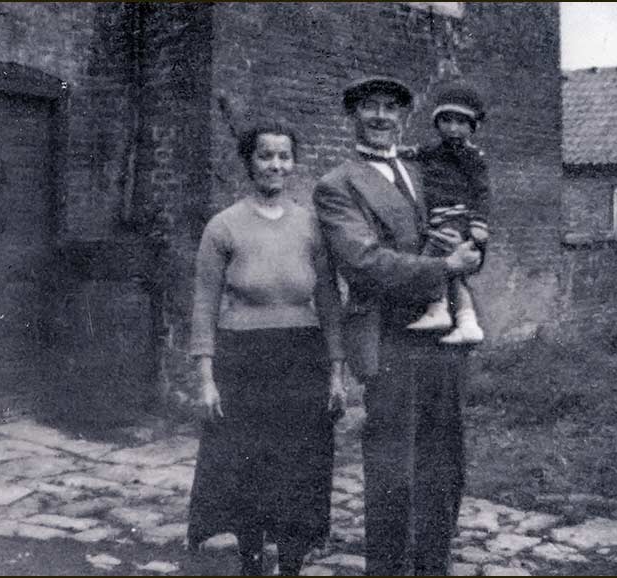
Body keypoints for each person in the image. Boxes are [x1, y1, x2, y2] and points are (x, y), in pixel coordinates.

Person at [313, 76, 483, 576]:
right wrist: (445, 267)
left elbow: (461, 219)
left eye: (391, 108)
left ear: (404, 119)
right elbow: (364, 263)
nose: (381, 117)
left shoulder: (421, 170)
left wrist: (471, 253)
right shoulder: (337, 185)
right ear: (353, 116)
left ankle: (433, 566)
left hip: (442, 334)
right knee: (394, 469)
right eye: (370, 107)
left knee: (445, 462)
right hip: (389, 336)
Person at [186, 121, 346, 576]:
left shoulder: (311, 226)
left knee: (299, 465)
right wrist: (206, 379)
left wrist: (336, 372)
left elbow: (329, 301)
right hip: (243, 360)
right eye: (265, 156)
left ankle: (291, 563)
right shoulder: (223, 226)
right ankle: (251, 561)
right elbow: (205, 304)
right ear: (249, 162)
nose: (276, 165)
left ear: (293, 163)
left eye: (284, 156)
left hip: (302, 357)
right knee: (248, 465)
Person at [404, 82, 491, 344]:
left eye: (461, 123)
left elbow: (482, 192)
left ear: (472, 127)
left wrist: (479, 223)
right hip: (437, 217)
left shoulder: (473, 157)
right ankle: (468, 323)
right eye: (447, 121)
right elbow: (420, 152)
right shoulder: (434, 151)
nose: (453, 128)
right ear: (437, 123)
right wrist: (404, 152)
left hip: (455, 217)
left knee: (431, 261)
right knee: (455, 273)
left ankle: (437, 309)